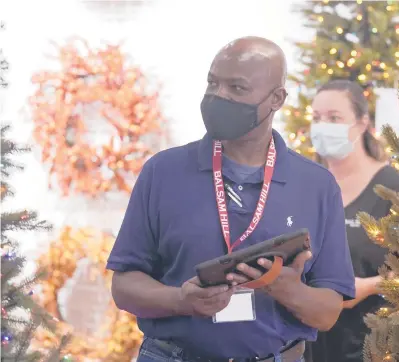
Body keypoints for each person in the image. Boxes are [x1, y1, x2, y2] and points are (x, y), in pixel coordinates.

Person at [106, 37, 356, 362]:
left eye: (237, 88)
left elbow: (327, 313)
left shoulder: (317, 186)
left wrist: (287, 290)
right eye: (213, 83)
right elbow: (123, 286)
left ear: (276, 99)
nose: (218, 96)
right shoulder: (162, 172)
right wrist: (181, 299)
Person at [305, 79, 399, 362]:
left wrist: (371, 286)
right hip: (313, 345)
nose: (323, 126)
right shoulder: (309, 186)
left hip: (375, 345)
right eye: (317, 118)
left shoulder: (394, 188)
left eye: (334, 118)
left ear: (362, 123)